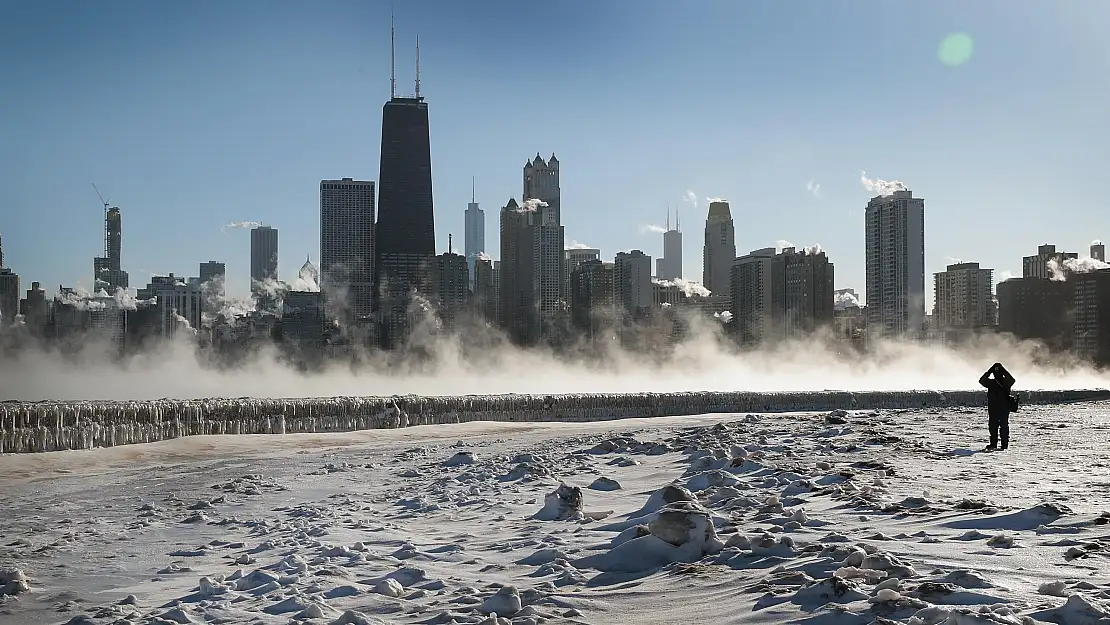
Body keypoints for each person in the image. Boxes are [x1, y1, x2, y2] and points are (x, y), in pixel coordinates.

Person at [978, 362, 1016, 451]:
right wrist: (996, 370)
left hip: (999, 407)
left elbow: (982, 380)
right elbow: (981, 381)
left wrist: (990, 371)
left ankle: (1000, 445)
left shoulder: (1003, 382)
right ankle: (999, 444)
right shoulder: (997, 382)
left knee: (999, 426)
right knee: (997, 426)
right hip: (997, 407)